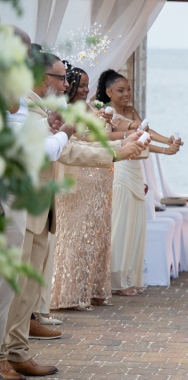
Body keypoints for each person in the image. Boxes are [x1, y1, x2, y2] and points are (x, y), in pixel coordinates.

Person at [0, 53, 147, 380]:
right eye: (59, 77)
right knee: (12, 289)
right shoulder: (22, 107)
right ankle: (3, 356)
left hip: (39, 208)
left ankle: (17, 352)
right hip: (18, 208)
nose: (65, 84)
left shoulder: (39, 108)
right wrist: (116, 151)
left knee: (26, 291)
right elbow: (64, 150)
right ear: (41, 77)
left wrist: (119, 147)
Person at [95, 69, 180, 296]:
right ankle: (115, 280)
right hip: (120, 168)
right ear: (109, 91)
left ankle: (128, 277)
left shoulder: (131, 111)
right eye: (121, 90)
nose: (126, 94)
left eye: (129, 89)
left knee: (135, 223)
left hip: (136, 169)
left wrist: (167, 145)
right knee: (120, 224)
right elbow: (129, 136)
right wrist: (164, 146)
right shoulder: (106, 114)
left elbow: (145, 135)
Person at [50, 65, 115, 310]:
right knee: (76, 235)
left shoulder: (90, 108)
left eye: (89, 85)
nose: (86, 90)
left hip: (97, 174)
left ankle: (90, 289)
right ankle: (70, 294)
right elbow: (79, 139)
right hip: (76, 175)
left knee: (96, 235)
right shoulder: (62, 110)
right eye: (81, 85)